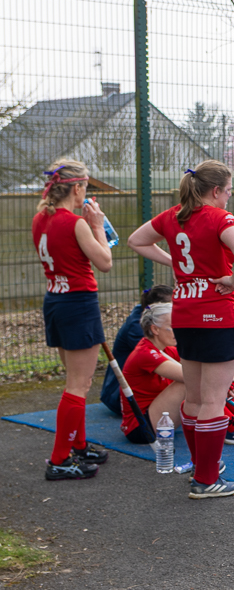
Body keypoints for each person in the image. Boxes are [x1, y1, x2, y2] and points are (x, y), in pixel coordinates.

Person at [128, 160, 234, 499]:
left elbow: (136, 240)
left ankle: (202, 470)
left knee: (196, 398)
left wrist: (173, 262)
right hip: (215, 313)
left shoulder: (172, 216)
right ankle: (206, 479)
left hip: (183, 315)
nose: (229, 198)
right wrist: (233, 280)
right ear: (215, 191)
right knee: (214, 399)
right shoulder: (218, 218)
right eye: (228, 192)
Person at [32, 159, 113, 480]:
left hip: (55, 301)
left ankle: (77, 445)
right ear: (76, 187)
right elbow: (105, 261)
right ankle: (59, 459)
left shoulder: (40, 218)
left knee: (77, 382)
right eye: (86, 188)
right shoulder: (75, 223)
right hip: (78, 303)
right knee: (77, 386)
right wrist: (97, 224)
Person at [100, 284, 172, 415]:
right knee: (187, 380)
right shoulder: (140, 331)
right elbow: (166, 363)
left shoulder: (147, 313)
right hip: (120, 395)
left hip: (144, 392)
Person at [120, 303, 185, 443]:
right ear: (155, 329)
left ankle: (229, 420)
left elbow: (197, 361)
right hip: (140, 427)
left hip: (157, 415)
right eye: (172, 326)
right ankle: (229, 424)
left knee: (208, 375)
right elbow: (191, 376)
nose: (178, 330)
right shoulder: (145, 353)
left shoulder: (166, 349)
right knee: (188, 382)